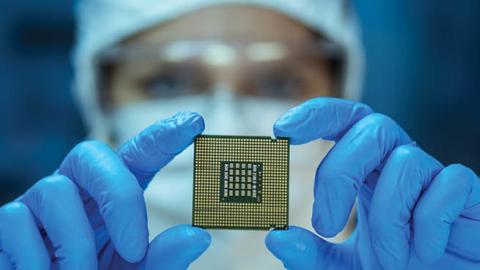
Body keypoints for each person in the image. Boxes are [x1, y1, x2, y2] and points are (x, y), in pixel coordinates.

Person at [0, 1, 479, 270]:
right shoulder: (31, 253)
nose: (225, 123)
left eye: (278, 83)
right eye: (167, 82)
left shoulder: (425, 256)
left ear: (342, 93)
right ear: (97, 99)